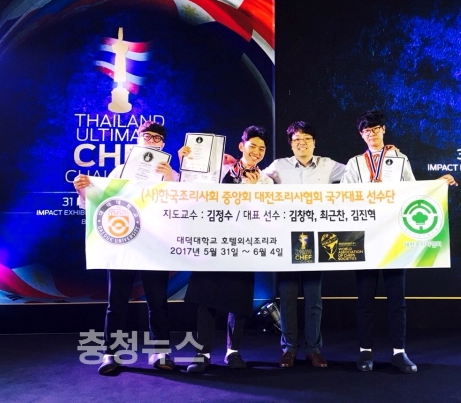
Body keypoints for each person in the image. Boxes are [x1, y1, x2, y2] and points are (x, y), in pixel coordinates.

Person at [341, 110, 457, 374]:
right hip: (365, 238)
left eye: (375, 129)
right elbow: (345, 196)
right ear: (361, 135)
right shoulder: (355, 163)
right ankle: (365, 351)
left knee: (397, 298)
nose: (371, 134)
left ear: (383, 129)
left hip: (395, 237)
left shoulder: (400, 159)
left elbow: (413, 192)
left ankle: (399, 352)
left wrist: (437, 184)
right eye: (366, 131)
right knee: (365, 299)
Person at [73, 121, 190, 375]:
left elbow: (183, 206)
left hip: (155, 246)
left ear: (163, 144)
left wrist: (169, 178)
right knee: (116, 302)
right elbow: (98, 201)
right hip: (123, 244)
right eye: (147, 136)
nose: (151, 140)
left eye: (156, 138)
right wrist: (82, 191)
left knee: (158, 302)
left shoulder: (171, 173)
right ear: (138, 140)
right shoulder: (119, 171)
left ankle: (161, 352)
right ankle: (111, 353)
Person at [185, 126, 273, 373]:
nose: (256, 152)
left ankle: (233, 352)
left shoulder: (265, 181)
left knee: (239, 299)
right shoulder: (220, 170)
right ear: (241, 146)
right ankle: (202, 353)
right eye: (252, 146)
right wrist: (187, 160)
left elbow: (266, 215)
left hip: (243, 245)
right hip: (213, 242)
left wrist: (253, 190)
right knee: (206, 298)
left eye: (262, 148)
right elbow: (194, 190)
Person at [263, 121, 345, 368]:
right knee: (287, 297)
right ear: (291, 144)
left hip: (316, 239)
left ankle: (313, 349)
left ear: (314, 142)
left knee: (313, 298)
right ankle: (289, 348)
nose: (302, 143)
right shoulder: (279, 166)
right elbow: (255, 181)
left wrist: (381, 155)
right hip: (286, 239)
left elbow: (358, 173)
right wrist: (232, 165)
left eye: (306, 139)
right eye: (297, 139)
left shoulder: (328, 165)